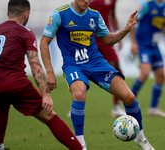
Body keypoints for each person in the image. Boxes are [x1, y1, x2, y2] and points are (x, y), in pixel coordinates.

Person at [0, 0, 84, 150]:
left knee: (2, 105)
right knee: (49, 116)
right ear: (26, 14)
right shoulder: (25, 32)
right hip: (16, 86)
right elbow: (35, 65)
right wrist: (45, 94)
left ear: (8, 13)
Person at [40, 0, 155, 150]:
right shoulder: (59, 15)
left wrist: (126, 30)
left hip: (96, 63)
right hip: (73, 65)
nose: (86, 1)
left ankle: (140, 138)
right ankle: (80, 144)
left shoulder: (94, 16)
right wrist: (49, 71)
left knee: (129, 97)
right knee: (79, 94)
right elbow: (44, 42)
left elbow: (108, 39)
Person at [130, 0, 165, 117]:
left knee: (161, 76)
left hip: (154, 46)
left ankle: (153, 108)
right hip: (142, 46)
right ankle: (129, 101)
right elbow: (133, 22)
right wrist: (133, 43)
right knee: (145, 73)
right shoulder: (146, 5)